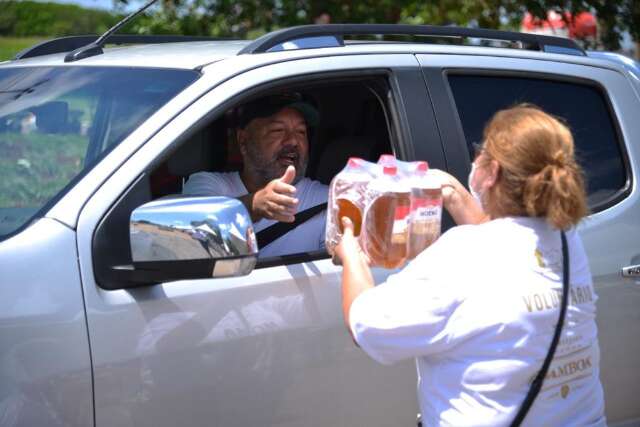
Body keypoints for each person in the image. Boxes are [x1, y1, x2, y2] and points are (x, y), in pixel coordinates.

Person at [334, 104, 606, 426]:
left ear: (491, 173)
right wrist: (453, 194)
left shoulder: (460, 253)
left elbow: (364, 325)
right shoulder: (565, 239)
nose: (474, 158)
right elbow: (501, 255)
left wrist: (350, 250)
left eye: (481, 152)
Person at [183, 93, 328, 257]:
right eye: (278, 130)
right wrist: (254, 205)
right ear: (243, 141)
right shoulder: (208, 185)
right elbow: (193, 235)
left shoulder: (327, 200)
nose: (293, 141)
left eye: (301, 132)